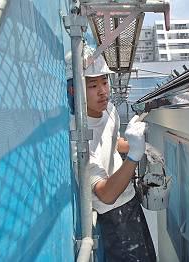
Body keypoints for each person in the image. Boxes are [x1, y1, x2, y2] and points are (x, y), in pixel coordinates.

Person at [66, 50, 156, 262]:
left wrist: (144, 147)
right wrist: (134, 155)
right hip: (114, 216)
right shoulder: (78, 136)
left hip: (130, 200)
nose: (102, 92)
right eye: (92, 85)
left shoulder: (110, 111)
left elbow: (113, 143)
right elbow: (104, 194)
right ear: (74, 90)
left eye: (104, 82)